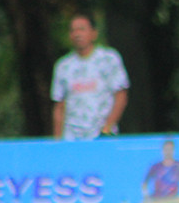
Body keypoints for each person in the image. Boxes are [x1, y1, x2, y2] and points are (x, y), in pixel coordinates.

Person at [51, 12, 130, 140]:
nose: (77, 34)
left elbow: (121, 96)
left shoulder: (109, 59)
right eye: (73, 30)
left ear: (94, 33)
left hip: (102, 137)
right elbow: (59, 106)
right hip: (72, 139)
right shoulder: (63, 66)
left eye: (82, 29)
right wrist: (57, 140)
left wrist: (107, 128)